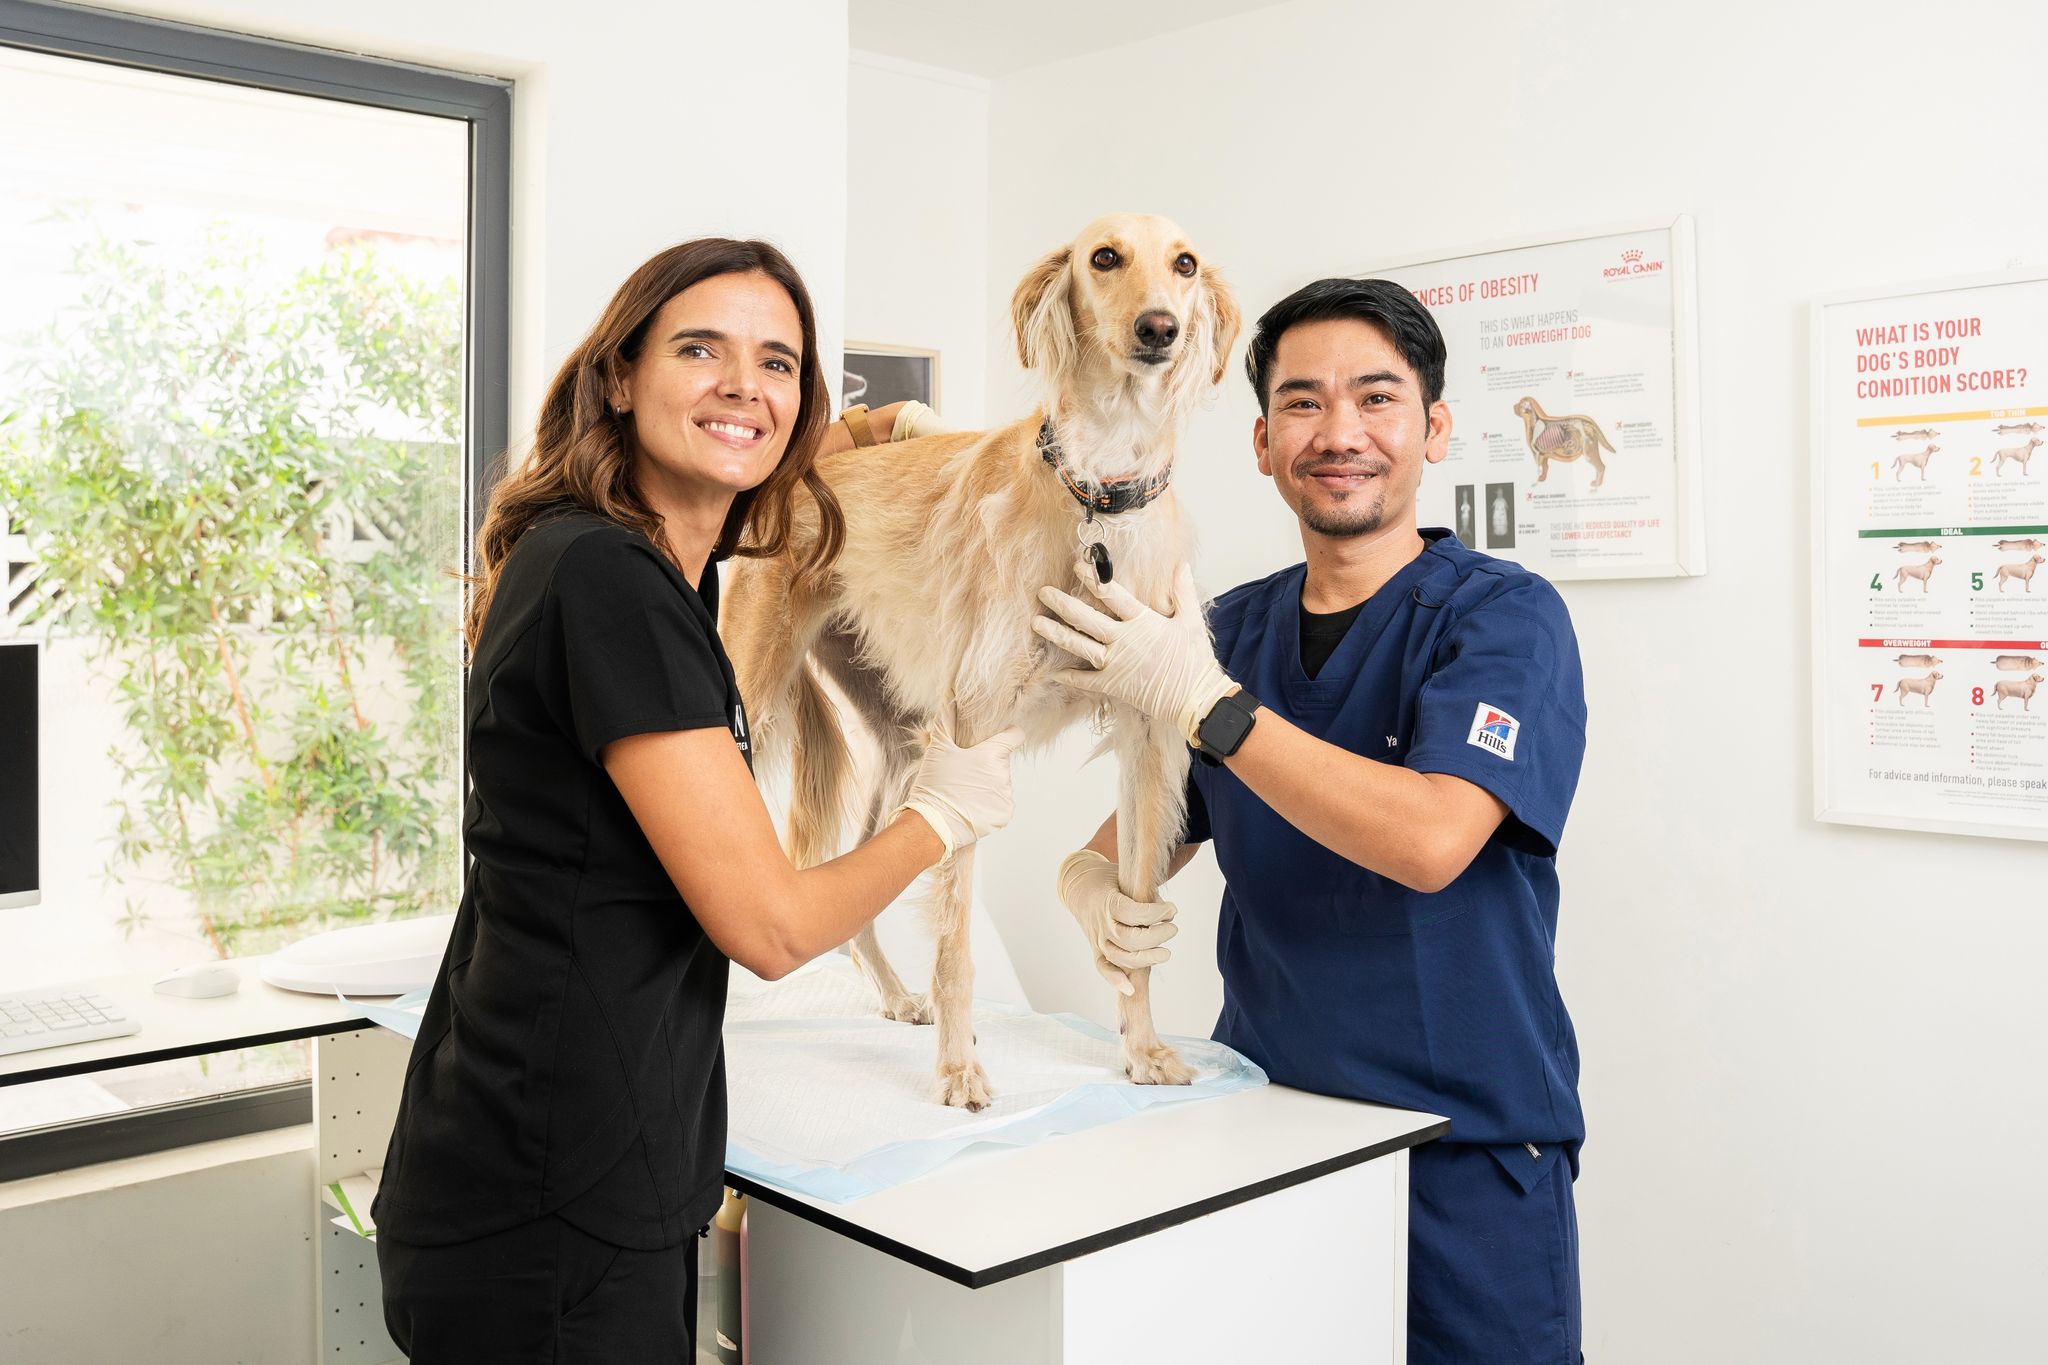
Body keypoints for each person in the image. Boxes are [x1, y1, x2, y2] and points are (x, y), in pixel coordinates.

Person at [371, 238, 1023, 1362]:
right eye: (699, 350)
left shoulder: (636, 566)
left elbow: (772, 441)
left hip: (549, 1161)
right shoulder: (607, 583)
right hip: (551, 1203)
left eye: (777, 363)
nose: (743, 386)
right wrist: (939, 815)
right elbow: (768, 930)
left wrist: (882, 433)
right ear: (618, 377)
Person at [1033, 277, 1587, 1364]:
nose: (1338, 434)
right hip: (1264, 1136)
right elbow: (1130, 840)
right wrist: (1086, 887)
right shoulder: (1226, 627)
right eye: (1301, 403)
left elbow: (1430, 841)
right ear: (1258, 440)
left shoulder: (1503, 620)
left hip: (1461, 1156)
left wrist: (1209, 706)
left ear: (1431, 428)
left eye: (1376, 399)